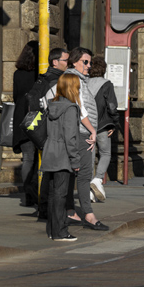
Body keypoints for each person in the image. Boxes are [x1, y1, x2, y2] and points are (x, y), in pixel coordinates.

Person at [59, 48, 107, 231]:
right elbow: (80, 108)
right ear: (74, 62)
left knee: (73, 173)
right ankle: (88, 214)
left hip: (78, 132)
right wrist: (92, 130)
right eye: (85, 62)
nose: (88, 66)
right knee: (85, 174)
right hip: (82, 133)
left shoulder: (75, 78)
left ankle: (70, 211)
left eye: (90, 62)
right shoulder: (74, 79)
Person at [27, 48, 69, 221]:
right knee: (54, 173)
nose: (68, 64)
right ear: (55, 62)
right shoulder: (56, 81)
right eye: (65, 60)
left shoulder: (43, 78)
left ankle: (43, 207)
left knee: (46, 169)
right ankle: (48, 210)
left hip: (40, 129)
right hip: (52, 131)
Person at [42, 73, 83, 242]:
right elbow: (70, 137)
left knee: (53, 194)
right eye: (78, 87)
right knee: (61, 194)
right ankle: (60, 232)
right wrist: (75, 160)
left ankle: (52, 230)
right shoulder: (70, 108)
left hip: (50, 152)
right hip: (63, 155)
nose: (79, 90)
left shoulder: (52, 105)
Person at [11, 41, 40, 209]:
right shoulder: (40, 74)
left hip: (21, 117)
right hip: (36, 117)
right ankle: (36, 191)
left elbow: (16, 96)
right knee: (38, 157)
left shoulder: (17, 74)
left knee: (27, 157)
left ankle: (28, 195)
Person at [88, 56, 119, 202]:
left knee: (89, 156)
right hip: (102, 126)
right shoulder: (107, 84)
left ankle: (89, 190)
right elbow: (112, 106)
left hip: (86, 125)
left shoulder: (84, 83)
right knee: (105, 153)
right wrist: (114, 122)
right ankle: (98, 179)